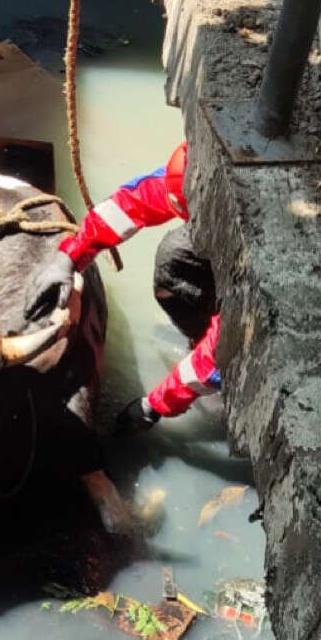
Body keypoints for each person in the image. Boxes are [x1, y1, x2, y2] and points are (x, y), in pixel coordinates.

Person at [23, 142, 221, 434]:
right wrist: (69, 256)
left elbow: (221, 347)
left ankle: (229, 376)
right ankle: (199, 336)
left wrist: (155, 407)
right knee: (175, 257)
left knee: (223, 354)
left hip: (256, 270)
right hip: (217, 222)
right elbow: (134, 203)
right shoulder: (200, 169)